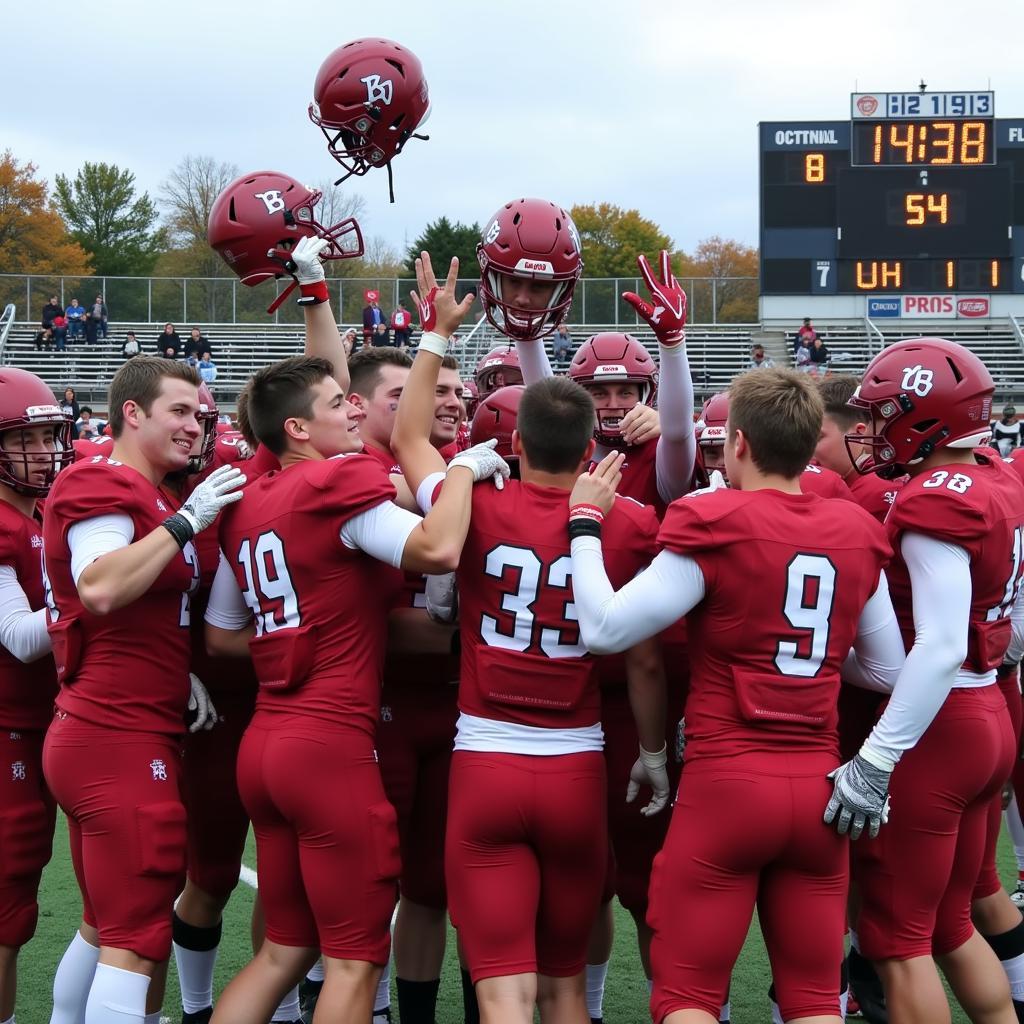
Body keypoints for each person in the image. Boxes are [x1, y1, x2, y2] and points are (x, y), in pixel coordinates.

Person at [564, 367, 904, 1024]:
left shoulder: (711, 517)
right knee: (812, 999)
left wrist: (584, 526)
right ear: (811, 445)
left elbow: (607, 629)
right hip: (817, 787)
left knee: (689, 995)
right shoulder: (855, 530)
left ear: (739, 443)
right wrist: (815, 659)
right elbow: (886, 670)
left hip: (726, 784)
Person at [393, 252, 669, 1024]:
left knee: (502, 988)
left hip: (485, 756)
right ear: (592, 448)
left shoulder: (476, 503)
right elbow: (645, 658)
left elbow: (410, 438)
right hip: (578, 765)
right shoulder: (631, 521)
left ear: (512, 446)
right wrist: (651, 753)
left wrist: (435, 336)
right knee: (563, 988)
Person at [203, 354, 506, 1024]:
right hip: (330, 745)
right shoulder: (332, 483)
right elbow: (436, 549)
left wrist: (298, 637)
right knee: (354, 957)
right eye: (337, 404)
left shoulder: (250, 500)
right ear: (299, 429)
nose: (352, 412)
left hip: (267, 739)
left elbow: (223, 632)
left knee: (284, 950)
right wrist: (458, 470)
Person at [42, 356, 246, 1024]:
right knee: (136, 938)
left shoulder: (153, 491)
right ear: (132, 413)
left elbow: (137, 608)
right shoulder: (106, 485)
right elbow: (100, 585)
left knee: (106, 927)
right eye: (179, 412)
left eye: (199, 413)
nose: (195, 426)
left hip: (119, 725)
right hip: (114, 736)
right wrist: (185, 523)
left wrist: (172, 665)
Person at [827, 337, 1024, 1024]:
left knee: (895, 938)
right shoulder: (997, 474)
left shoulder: (935, 500)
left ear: (925, 419)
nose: (872, 432)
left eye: (884, 416)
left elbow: (938, 644)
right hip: (988, 709)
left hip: (939, 727)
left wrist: (878, 757)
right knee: (947, 926)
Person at [0, 368, 74, 1024]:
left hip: (47, 722)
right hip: (6, 728)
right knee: (7, 902)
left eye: (52, 434)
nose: (46, 450)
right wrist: (93, 599)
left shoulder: (44, 510)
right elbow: (20, 638)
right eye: (29, 437)